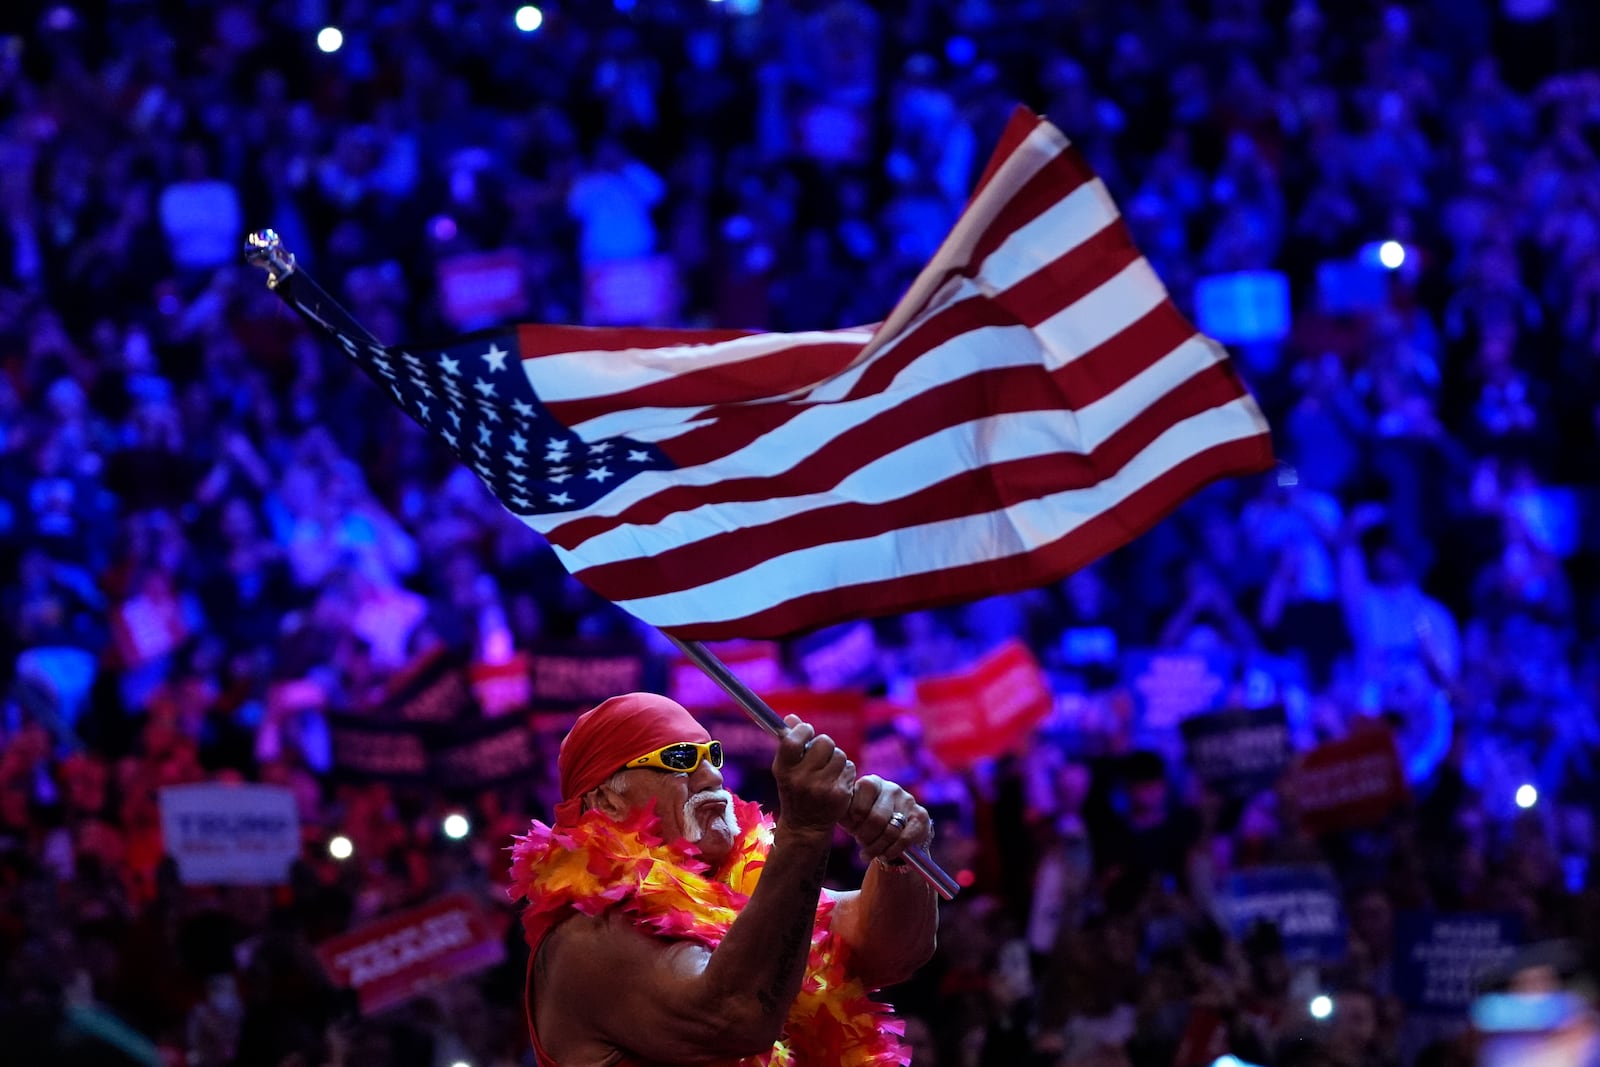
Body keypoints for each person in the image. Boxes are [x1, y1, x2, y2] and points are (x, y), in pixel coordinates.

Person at [510, 692, 939, 1066]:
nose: (712, 775)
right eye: (679, 759)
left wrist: (897, 855)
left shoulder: (740, 888)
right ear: (608, 801)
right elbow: (736, 1014)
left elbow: (889, 950)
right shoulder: (585, 939)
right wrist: (804, 832)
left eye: (711, 755)